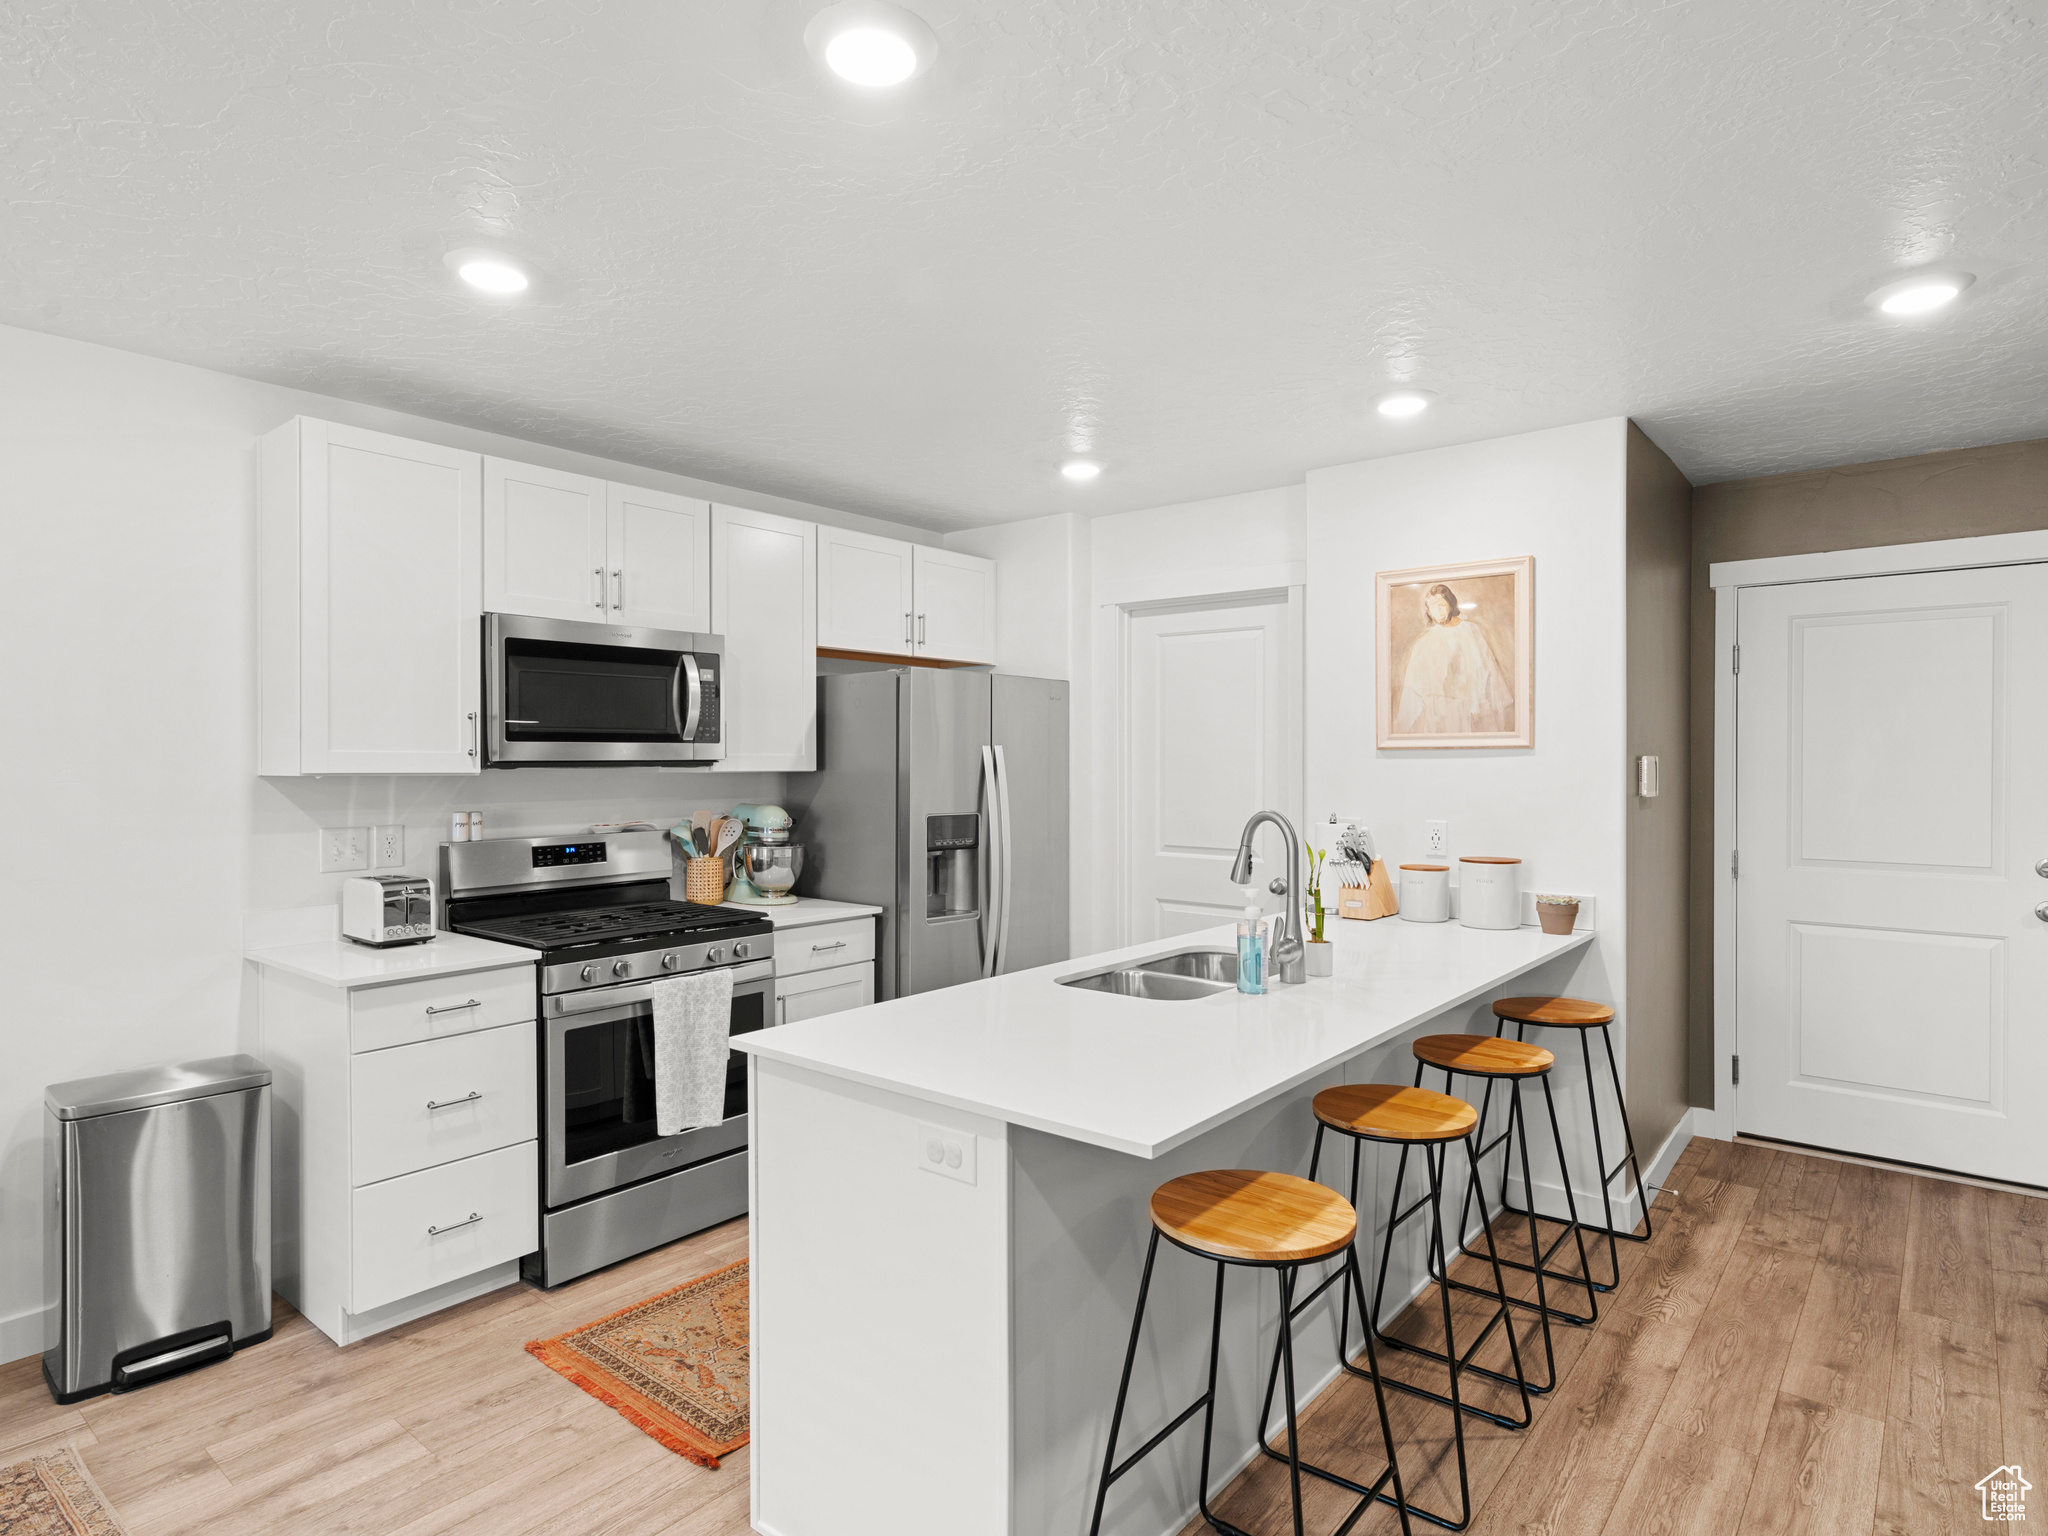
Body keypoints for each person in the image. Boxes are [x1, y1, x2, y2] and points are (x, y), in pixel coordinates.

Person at [1392, 582, 1512, 734]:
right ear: (1428, 610)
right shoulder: (1424, 642)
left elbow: (1486, 667)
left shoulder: (1470, 630)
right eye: (1432, 607)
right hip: (1437, 713)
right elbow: (1413, 686)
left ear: (1450, 604)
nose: (1438, 611)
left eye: (1441, 605)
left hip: (1469, 709)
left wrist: (1479, 704)